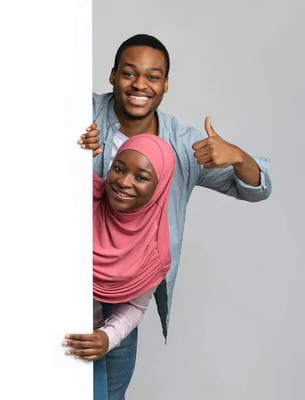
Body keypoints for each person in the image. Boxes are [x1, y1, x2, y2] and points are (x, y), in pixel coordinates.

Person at [67, 33, 272, 399]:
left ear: (165, 85)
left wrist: (238, 156)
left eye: (153, 76)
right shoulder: (80, 112)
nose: (140, 85)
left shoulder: (182, 145)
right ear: (112, 75)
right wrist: (73, 145)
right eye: (129, 73)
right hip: (71, 276)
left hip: (131, 283)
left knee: (110, 390)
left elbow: (255, 188)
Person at [63, 133, 176, 399]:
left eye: (141, 177)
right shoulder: (78, 194)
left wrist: (107, 337)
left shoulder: (154, 251)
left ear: (160, 186)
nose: (124, 182)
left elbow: (135, 306)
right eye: (119, 168)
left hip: (78, 345)